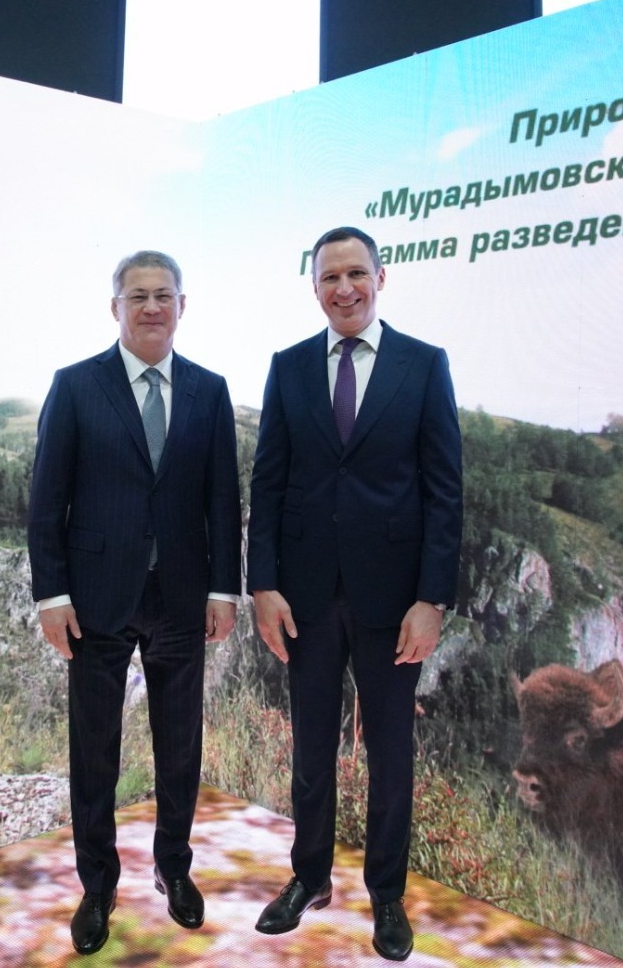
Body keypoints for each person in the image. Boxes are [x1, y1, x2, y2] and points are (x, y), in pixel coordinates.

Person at [246, 226, 463, 961]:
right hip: (304, 597)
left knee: (390, 754)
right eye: (329, 278)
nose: (344, 289)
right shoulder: (288, 367)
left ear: (380, 277)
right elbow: (268, 481)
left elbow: (444, 491)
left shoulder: (424, 365)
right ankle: (309, 879)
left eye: (355, 274)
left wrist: (432, 599)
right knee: (311, 747)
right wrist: (262, 584)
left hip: (394, 602)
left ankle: (387, 895)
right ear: (314, 288)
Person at [28, 250, 243, 956]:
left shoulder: (210, 391)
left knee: (180, 745)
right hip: (94, 599)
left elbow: (222, 499)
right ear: (115, 307)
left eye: (164, 295)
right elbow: (46, 499)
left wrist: (223, 588)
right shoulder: (75, 385)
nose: (152, 307)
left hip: (181, 596)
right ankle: (98, 885)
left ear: (183, 304)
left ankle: (173, 868)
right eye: (138, 295)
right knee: (95, 750)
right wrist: (52, 594)